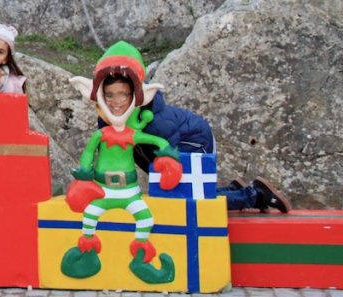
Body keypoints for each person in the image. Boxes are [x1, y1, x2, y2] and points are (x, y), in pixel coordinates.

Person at [101, 74, 291, 213]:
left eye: (122, 95)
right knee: (178, 194)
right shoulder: (108, 119)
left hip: (194, 142)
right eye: (109, 95)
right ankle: (234, 190)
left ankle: (256, 196)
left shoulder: (157, 122)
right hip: (166, 151)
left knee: (186, 200)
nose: (115, 101)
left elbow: (170, 163)